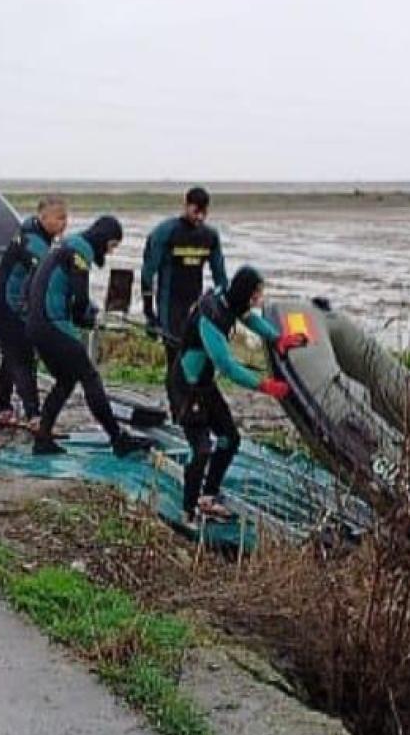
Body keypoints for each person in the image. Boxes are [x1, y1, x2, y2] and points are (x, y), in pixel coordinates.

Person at [168, 266, 307, 524]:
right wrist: (265, 386)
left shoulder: (229, 298)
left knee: (230, 439)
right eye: (257, 293)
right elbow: (227, 366)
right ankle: (187, 511)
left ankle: (208, 498)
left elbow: (248, 318)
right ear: (246, 292)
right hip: (186, 388)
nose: (259, 298)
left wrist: (277, 338)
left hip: (205, 385)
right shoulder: (210, 318)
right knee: (201, 450)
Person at [24, 215, 154, 458]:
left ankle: (43, 438)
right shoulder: (81, 251)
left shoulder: (68, 244)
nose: (111, 252)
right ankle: (118, 439)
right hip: (52, 324)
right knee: (89, 377)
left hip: (36, 324)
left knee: (66, 380)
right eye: (112, 246)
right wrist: (84, 317)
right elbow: (80, 297)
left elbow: (37, 284)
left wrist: (81, 312)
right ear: (104, 238)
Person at [0, 195, 67, 427]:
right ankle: (34, 415)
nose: (65, 223)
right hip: (7, 304)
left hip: (12, 302)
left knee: (11, 357)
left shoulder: (36, 235)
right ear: (43, 217)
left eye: (66, 217)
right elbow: (46, 281)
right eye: (60, 218)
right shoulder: (34, 243)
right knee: (22, 358)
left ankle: (3, 408)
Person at [140, 186, 227, 354]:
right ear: (186, 205)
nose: (200, 218)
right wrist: (149, 313)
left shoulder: (210, 236)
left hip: (196, 305)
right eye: (195, 212)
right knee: (174, 358)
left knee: (195, 358)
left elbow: (221, 278)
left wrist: (221, 309)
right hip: (169, 306)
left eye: (204, 213)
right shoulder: (164, 232)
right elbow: (147, 274)